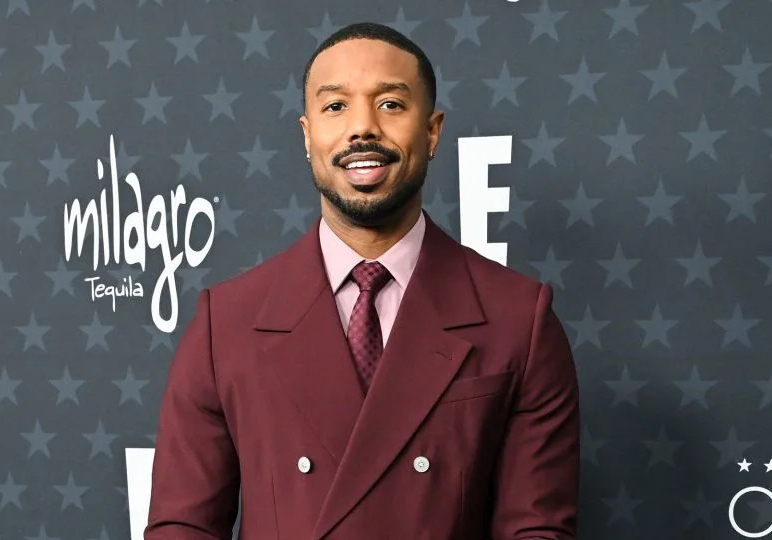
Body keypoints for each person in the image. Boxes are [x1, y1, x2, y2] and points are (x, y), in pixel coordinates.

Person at [145, 21, 579, 540]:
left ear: (433, 131)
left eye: (391, 104)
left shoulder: (518, 320)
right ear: (308, 136)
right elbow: (183, 528)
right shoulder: (227, 323)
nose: (362, 128)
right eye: (335, 107)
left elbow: (537, 531)